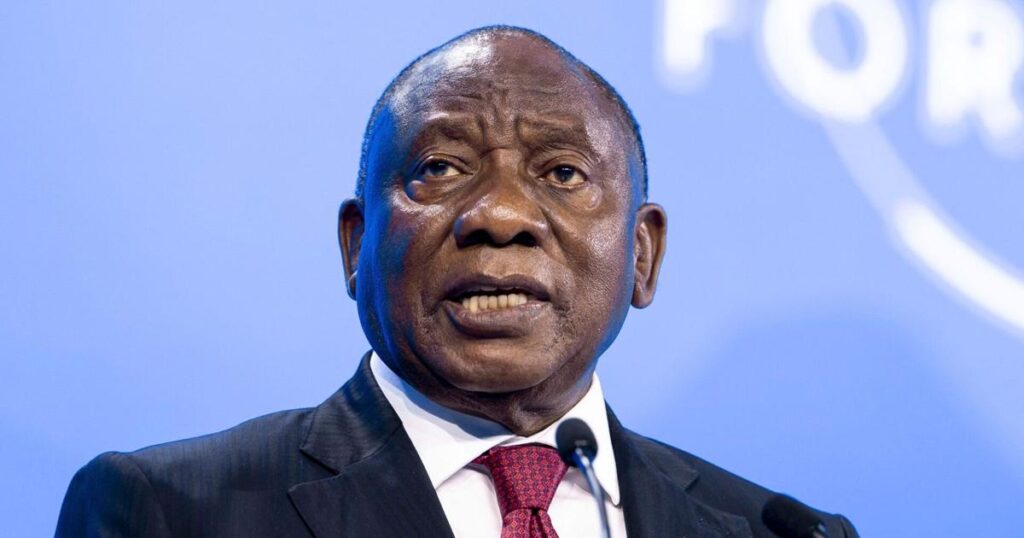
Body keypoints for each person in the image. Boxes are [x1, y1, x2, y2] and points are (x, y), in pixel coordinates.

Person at [56, 26, 858, 537]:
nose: (501, 213)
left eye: (563, 173)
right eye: (440, 168)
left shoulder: (775, 532)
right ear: (356, 245)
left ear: (642, 256)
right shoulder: (172, 512)